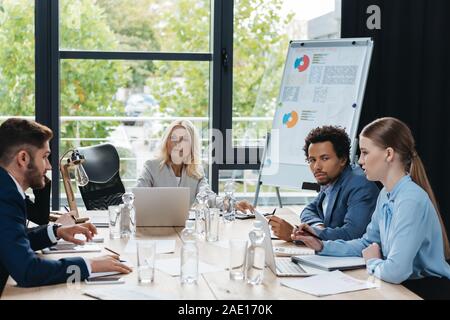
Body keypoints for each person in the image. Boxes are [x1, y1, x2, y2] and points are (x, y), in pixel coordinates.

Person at [293, 117, 450, 289]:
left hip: (426, 289)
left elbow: (396, 271)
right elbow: (366, 243)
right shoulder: (386, 194)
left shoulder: (410, 200)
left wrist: (372, 261)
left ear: (389, 154)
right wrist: (322, 245)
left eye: (365, 152)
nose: (360, 161)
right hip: (400, 285)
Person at [0, 118, 132, 294]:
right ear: (23, 158)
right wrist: (89, 264)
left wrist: (56, 231)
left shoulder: (6, 187)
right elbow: (28, 271)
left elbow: (12, 241)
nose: (48, 167)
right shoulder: (6, 196)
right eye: (45, 157)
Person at [269, 126, 379, 241]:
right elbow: (309, 210)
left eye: (325, 158)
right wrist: (317, 227)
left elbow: (352, 235)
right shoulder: (330, 178)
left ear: (343, 159)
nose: (317, 167)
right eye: (312, 160)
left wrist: (296, 235)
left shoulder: (359, 184)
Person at [136, 119, 254, 212]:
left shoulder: (196, 171)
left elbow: (208, 197)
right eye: (174, 138)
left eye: (185, 140)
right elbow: (137, 196)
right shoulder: (151, 166)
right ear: (167, 142)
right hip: (156, 227)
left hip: (184, 229)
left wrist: (231, 204)